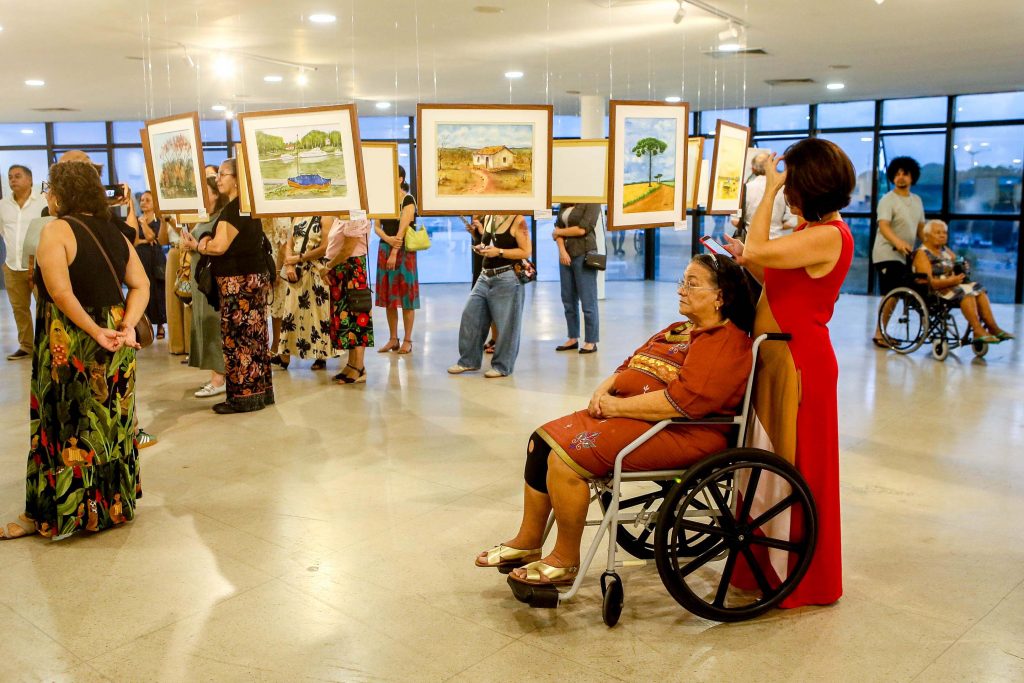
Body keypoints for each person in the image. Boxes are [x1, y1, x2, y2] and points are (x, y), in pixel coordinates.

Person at [475, 255, 755, 584]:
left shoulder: (723, 344)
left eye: (692, 284)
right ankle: (528, 541)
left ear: (720, 296)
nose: (681, 290)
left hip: (683, 431)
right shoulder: (679, 329)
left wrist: (616, 408)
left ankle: (565, 560)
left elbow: (682, 404)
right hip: (638, 414)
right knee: (540, 441)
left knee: (567, 460)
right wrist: (603, 390)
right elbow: (630, 363)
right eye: (682, 281)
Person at [723, 138, 855, 608]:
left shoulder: (829, 235)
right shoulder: (810, 230)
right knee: (768, 459)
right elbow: (774, 276)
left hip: (799, 363)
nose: (787, 190)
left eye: (791, 182)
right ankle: (765, 565)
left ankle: (797, 575)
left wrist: (769, 190)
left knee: (795, 464)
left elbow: (762, 248)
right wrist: (748, 257)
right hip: (777, 356)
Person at [1, 160, 149, 540]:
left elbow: (61, 293)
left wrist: (95, 331)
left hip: (73, 341)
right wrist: (127, 323)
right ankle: (109, 508)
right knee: (110, 422)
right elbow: (141, 284)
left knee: (65, 423)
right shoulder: (115, 231)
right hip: (116, 340)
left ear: (62, 194)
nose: (48, 196)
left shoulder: (57, 230)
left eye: (51, 189)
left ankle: (48, 513)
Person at [181, 159, 273, 414]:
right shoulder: (245, 208)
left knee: (239, 340)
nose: (218, 179)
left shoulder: (234, 209)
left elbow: (220, 246)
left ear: (237, 178)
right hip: (250, 281)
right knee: (254, 338)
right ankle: (258, 393)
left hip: (238, 285)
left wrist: (199, 245)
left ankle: (242, 398)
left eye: (223, 174)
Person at [448, 214, 531, 378]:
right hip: (485, 275)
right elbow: (487, 245)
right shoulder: (490, 218)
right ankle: (468, 361)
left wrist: (498, 252)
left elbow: (526, 251)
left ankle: (502, 366)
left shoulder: (517, 220)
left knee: (507, 325)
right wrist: (476, 238)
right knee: (471, 315)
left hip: (507, 277)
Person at [914, 220, 1014, 343]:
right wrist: (952, 281)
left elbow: (957, 261)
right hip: (937, 290)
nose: (942, 235)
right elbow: (930, 282)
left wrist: (963, 265)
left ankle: (993, 327)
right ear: (927, 236)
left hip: (953, 285)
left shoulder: (944, 250)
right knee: (965, 293)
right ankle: (977, 330)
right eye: (938, 233)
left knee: (979, 289)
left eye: (945, 233)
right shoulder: (922, 254)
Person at [872, 156, 926, 346]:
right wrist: (899, 242)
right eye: (897, 174)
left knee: (901, 291)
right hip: (887, 253)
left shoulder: (917, 200)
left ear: (913, 177)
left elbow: (921, 229)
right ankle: (880, 333)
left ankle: (883, 332)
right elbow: (884, 226)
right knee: (892, 293)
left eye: (905, 174)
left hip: (906, 255)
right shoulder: (888, 200)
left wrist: (933, 248)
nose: (900, 177)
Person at [183, 175, 227, 398]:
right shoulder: (204, 216)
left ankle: (219, 377)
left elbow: (216, 248)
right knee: (204, 323)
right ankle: (216, 373)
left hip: (212, 279)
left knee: (213, 325)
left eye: (206, 192)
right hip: (200, 277)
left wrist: (195, 246)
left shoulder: (220, 218)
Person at [0, 164, 48, 360]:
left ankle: (47, 345)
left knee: (44, 308)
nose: (13, 180)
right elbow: (3, 231)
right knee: (19, 309)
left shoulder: (42, 202)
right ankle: (26, 346)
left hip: (38, 265)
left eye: (17, 176)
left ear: (29, 179)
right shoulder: (3, 205)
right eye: (10, 177)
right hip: (12, 265)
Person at [278, 215, 338, 370]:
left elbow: (325, 247)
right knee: (291, 311)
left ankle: (321, 355)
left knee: (318, 313)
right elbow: (289, 244)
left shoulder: (326, 217)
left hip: (316, 270)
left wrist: (298, 258)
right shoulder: (298, 216)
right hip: (297, 270)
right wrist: (289, 264)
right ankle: (284, 354)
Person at [322, 217, 374, 384]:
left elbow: (347, 249)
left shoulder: (357, 215)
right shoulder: (340, 217)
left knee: (356, 317)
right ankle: (352, 364)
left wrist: (328, 267)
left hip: (351, 270)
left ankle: (358, 367)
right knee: (347, 320)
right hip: (341, 270)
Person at [374, 166, 419, 355]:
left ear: (400, 179)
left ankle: (408, 340)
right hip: (385, 247)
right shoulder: (382, 200)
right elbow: (376, 226)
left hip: (403, 251)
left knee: (406, 297)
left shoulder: (408, 200)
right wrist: (387, 239)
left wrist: (394, 249)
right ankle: (393, 338)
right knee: (389, 298)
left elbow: (402, 229)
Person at [553, 203, 601, 354]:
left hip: (584, 254)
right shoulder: (564, 202)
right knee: (568, 298)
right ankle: (572, 338)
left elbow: (582, 229)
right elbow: (556, 231)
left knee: (588, 301)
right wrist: (562, 251)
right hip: (566, 256)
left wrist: (560, 231)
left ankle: (591, 341)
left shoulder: (592, 202)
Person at [731, 151, 798, 240]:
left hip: (751, 241)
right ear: (773, 168)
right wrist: (775, 227)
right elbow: (792, 222)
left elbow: (735, 221)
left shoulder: (744, 189)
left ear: (753, 169)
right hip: (776, 242)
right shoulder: (784, 189)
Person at [135, 191, 169, 340]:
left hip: (155, 259)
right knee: (144, 291)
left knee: (158, 291)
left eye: (147, 200)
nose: (143, 203)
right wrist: (144, 240)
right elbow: (135, 241)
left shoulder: (158, 220)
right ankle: (145, 326)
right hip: (141, 259)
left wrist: (143, 224)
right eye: (142, 200)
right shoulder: (136, 220)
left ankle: (161, 325)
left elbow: (152, 237)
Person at [158, 209, 190, 356]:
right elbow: (162, 240)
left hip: (188, 252)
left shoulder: (189, 209)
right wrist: (163, 222)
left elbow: (188, 232)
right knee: (172, 300)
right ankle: (176, 345)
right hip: (173, 252)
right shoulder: (167, 210)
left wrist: (170, 219)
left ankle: (191, 345)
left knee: (188, 299)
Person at [264, 216, 292, 367]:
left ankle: (280, 349)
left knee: (279, 308)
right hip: (267, 259)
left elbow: (284, 243)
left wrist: (279, 268)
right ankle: (278, 349)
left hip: (275, 261)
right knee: (275, 308)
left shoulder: (280, 214)